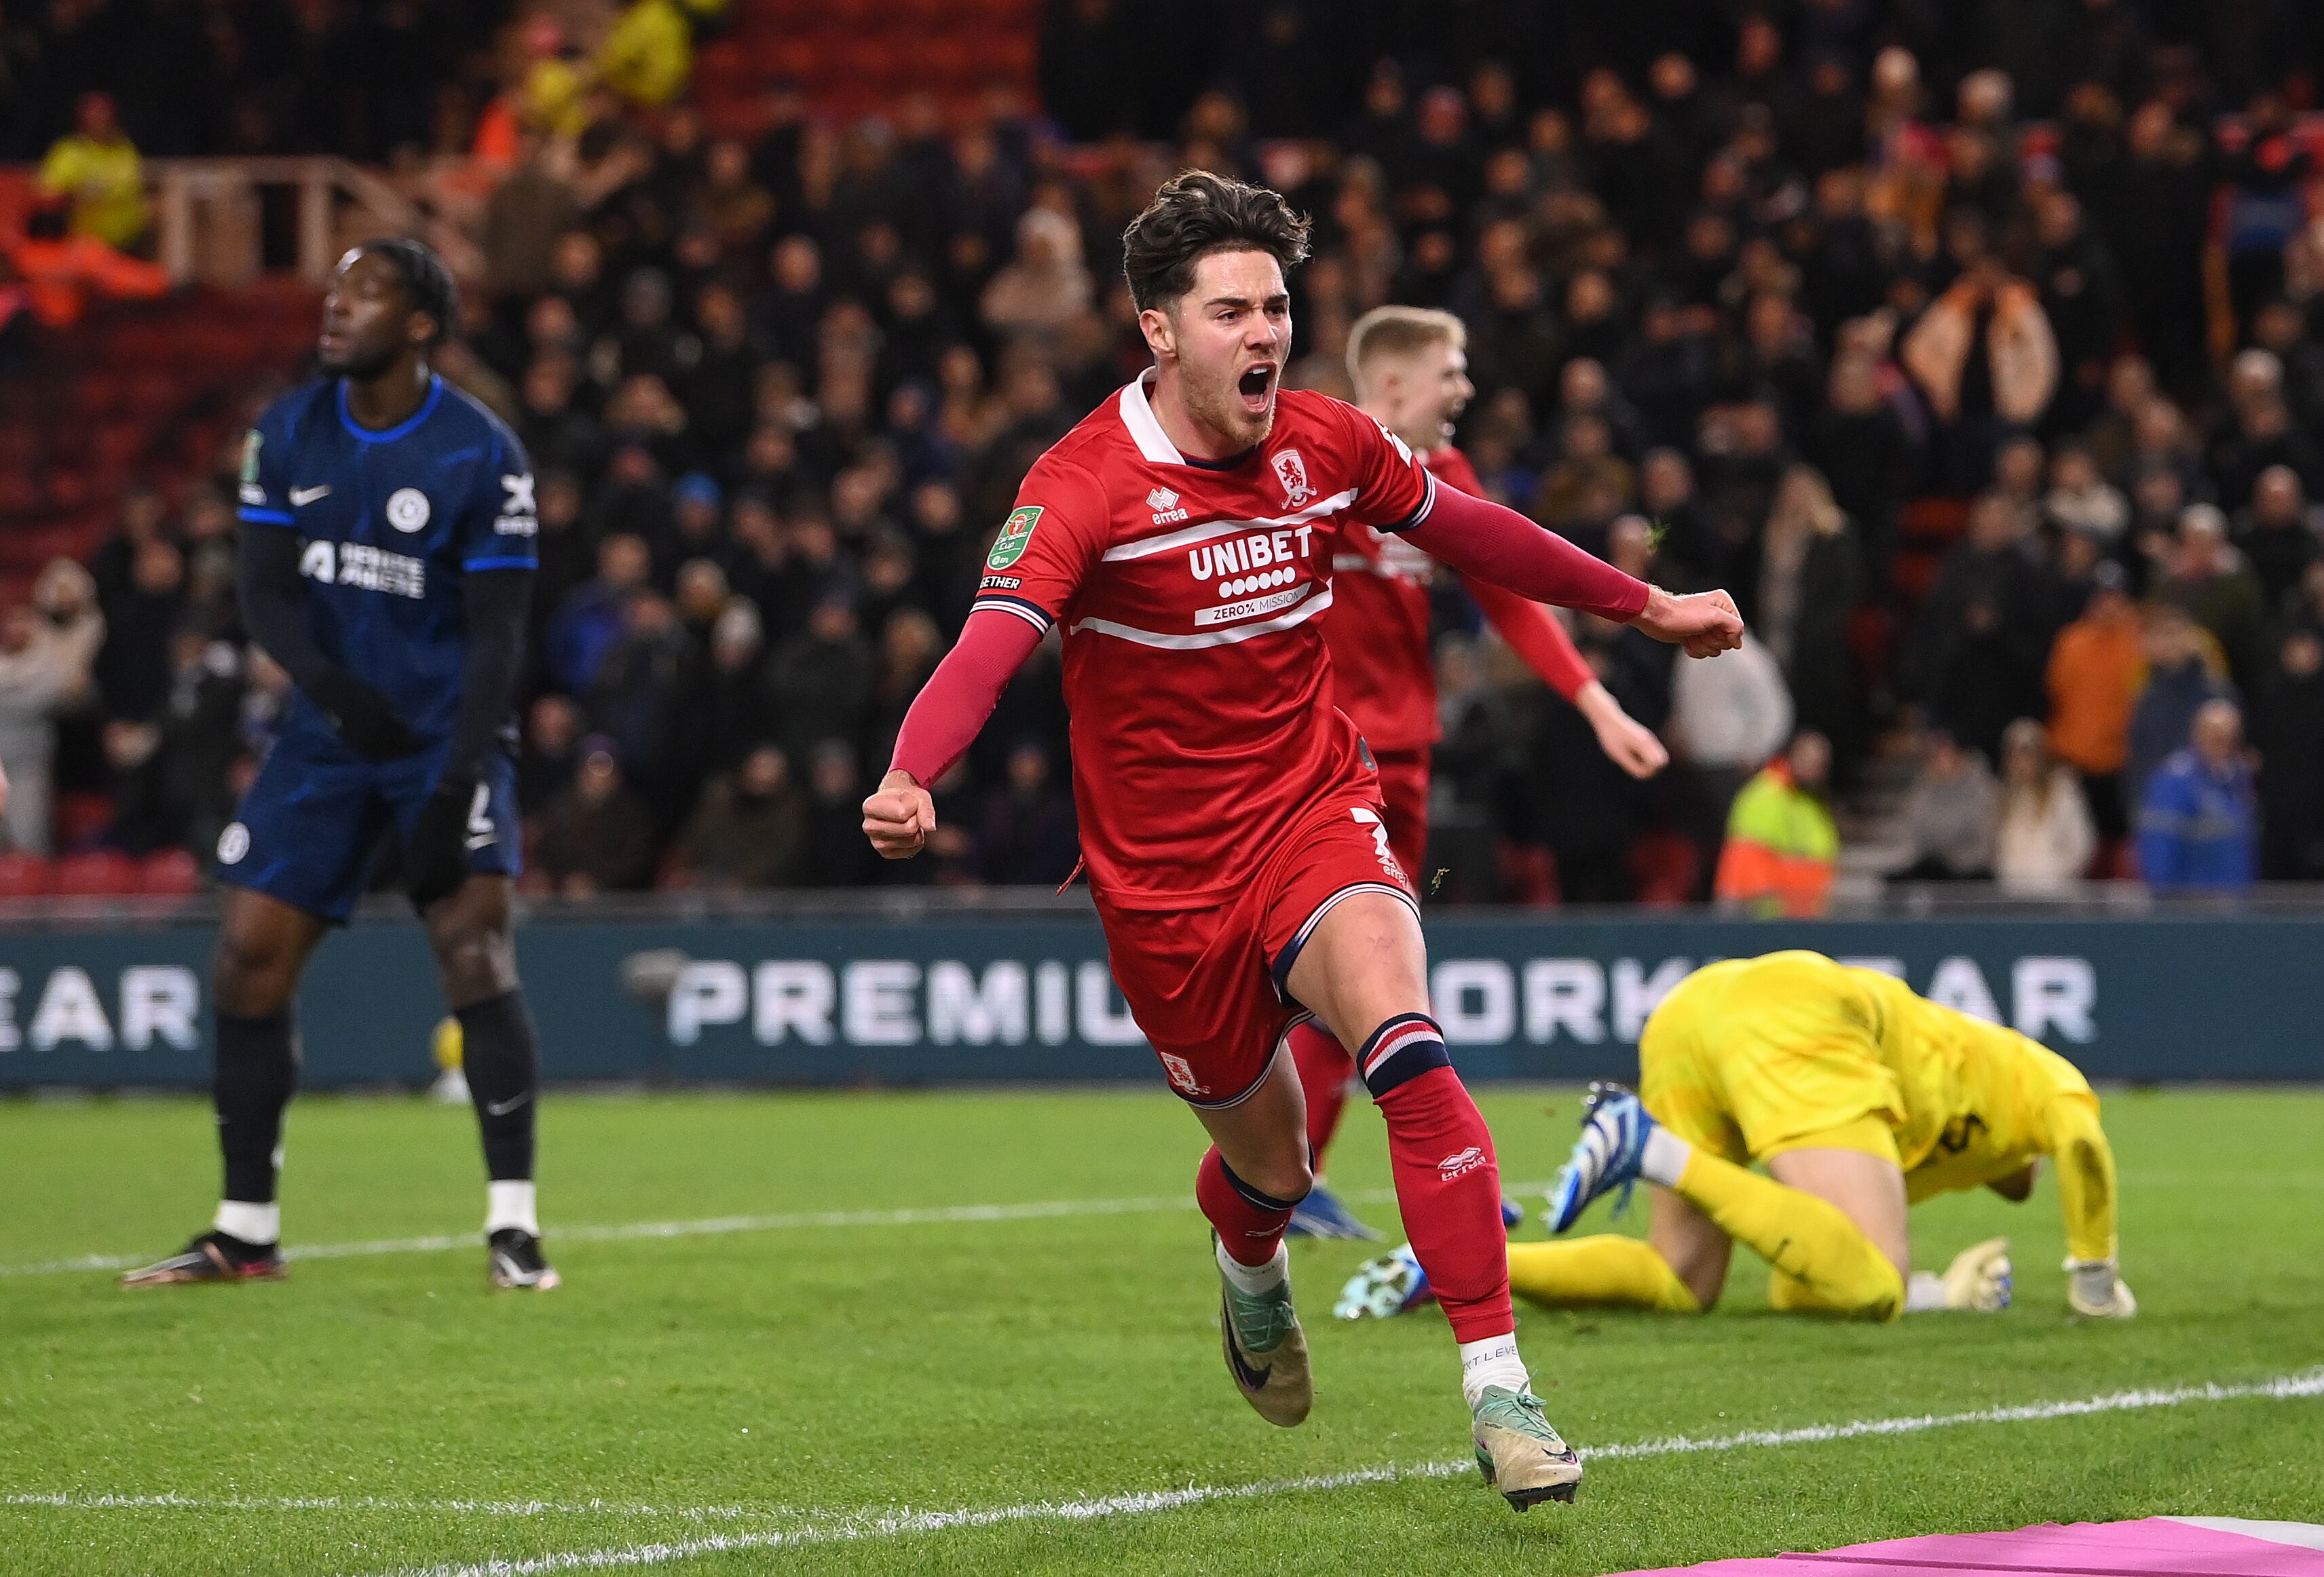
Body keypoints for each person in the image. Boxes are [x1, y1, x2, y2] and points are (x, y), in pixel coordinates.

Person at [861, 172, 1742, 1510]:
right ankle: (1249, 1266)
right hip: (1164, 887)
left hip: (1312, 811)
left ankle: (1499, 1389)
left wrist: (1640, 608)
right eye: (1228, 312)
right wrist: (911, 771)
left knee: (1405, 1042)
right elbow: (991, 647)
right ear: (1158, 331)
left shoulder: (1323, 445)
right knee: (1266, 1166)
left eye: (1274, 307)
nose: (1261, 334)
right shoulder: (1080, 484)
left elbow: (1478, 533)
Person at [122, 241, 556, 1293]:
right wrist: (334, 692)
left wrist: (456, 781)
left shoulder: (479, 452)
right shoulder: (288, 429)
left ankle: (513, 1228)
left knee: (473, 956)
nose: (336, 308)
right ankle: (246, 1229)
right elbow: (268, 596)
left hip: (445, 737)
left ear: (418, 324)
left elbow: (501, 639)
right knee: (248, 957)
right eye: (334, 291)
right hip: (329, 735)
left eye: (365, 295)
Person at [1284, 303, 1668, 1242]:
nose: (1465, 389)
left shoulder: (1441, 476)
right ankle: (1433, 1166)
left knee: (1372, 976)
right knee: (1362, 971)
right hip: (1326, 755)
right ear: (1393, 385)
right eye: (1451, 372)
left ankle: (1310, 1180)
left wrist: (1596, 701)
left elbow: (1511, 596)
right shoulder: (1313, 469)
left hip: (1405, 752)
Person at [1337, 951, 2134, 1325]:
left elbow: (1801, 1275)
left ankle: (1460, 1265)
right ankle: (1645, 1145)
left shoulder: (1948, 1133)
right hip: (1804, 1011)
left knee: (1682, 1277)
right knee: (1876, 1286)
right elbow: (2083, 1139)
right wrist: (2093, 1269)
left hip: (1693, 1009)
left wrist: (1946, 1290)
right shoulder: (2037, 1078)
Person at [2136, 697, 2257, 891]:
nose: (2223, 745)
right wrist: (2168, 904)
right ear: (2198, 733)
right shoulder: (2175, 779)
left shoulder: (2238, 777)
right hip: (2192, 907)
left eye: (2230, 738)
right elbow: (2159, 850)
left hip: (2235, 905)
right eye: (2216, 737)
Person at [1712, 731, 1838, 916]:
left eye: (1821, 764)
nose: (1815, 770)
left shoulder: (1809, 801)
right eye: (1808, 759)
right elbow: (1746, 861)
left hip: (1804, 914)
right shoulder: (1765, 795)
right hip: (1768, 919)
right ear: (1790, 756)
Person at [1993, 717, 2097, 894]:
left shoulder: (2064, 792)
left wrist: (2056, 875)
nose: (2022, 760)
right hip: (2013, 896)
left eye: (2028, 752)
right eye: (2015, 753)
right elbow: (1998, 849)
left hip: (2056, 895)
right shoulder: (2004, 796)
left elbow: (2083, 845)